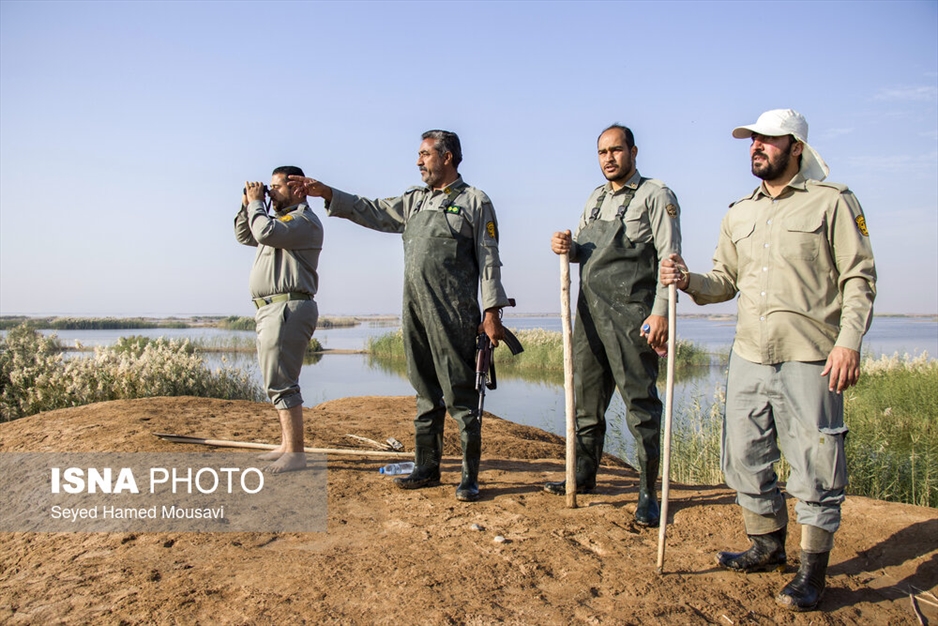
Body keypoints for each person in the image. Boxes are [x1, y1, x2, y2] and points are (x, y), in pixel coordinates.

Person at [660, 109, 876, 611]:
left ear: (795, 147)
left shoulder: (833, 203)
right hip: (748, 358)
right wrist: (689, 280)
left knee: (816, 464)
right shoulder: (739, 212)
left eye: (768, 140)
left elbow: (858, 278)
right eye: (753, 139)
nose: (756, 147)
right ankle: (766, 545)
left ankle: (811, 572)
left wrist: (849, 342)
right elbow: (723, 283)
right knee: (745, 454)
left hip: (812, 357)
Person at [289, 130, 511, 502]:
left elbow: (489, 259)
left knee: (461, 395)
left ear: (448, 157)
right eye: (419, 155)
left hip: (454, 313)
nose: (419, 161)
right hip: (414, 310)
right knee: (425, 392)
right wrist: (327, 193)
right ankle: (426, 468)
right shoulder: (414, 201)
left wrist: (491, 312)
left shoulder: (475, 201)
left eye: (425, 154)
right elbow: (371, 209)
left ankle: (469, 477)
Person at [544, 124, 682, 528]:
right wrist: (567, 250)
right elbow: (588, 255)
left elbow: (669, 259)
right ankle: (584, 476)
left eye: (616, 150)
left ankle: (648, 493)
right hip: (589, 314)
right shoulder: (595, 198)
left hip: (632, 316)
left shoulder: (656, 195)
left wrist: (660, 313)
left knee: (640, 406)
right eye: (602, 152)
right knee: (586, 401)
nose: (609, 158)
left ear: (633, 152)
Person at [235, 165, 323, 473]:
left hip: (287, 308)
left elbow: (263, 231)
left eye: (277, 187)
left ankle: (296, 453)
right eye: (268, 188)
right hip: (271, 309)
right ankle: (287, 445)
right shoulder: (277, 223)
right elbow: (246, 234)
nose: (271, 193)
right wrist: (247, 204)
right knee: (277, 380)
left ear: (298, 189)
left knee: (282, 382)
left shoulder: (303, 223)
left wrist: (258, 205)